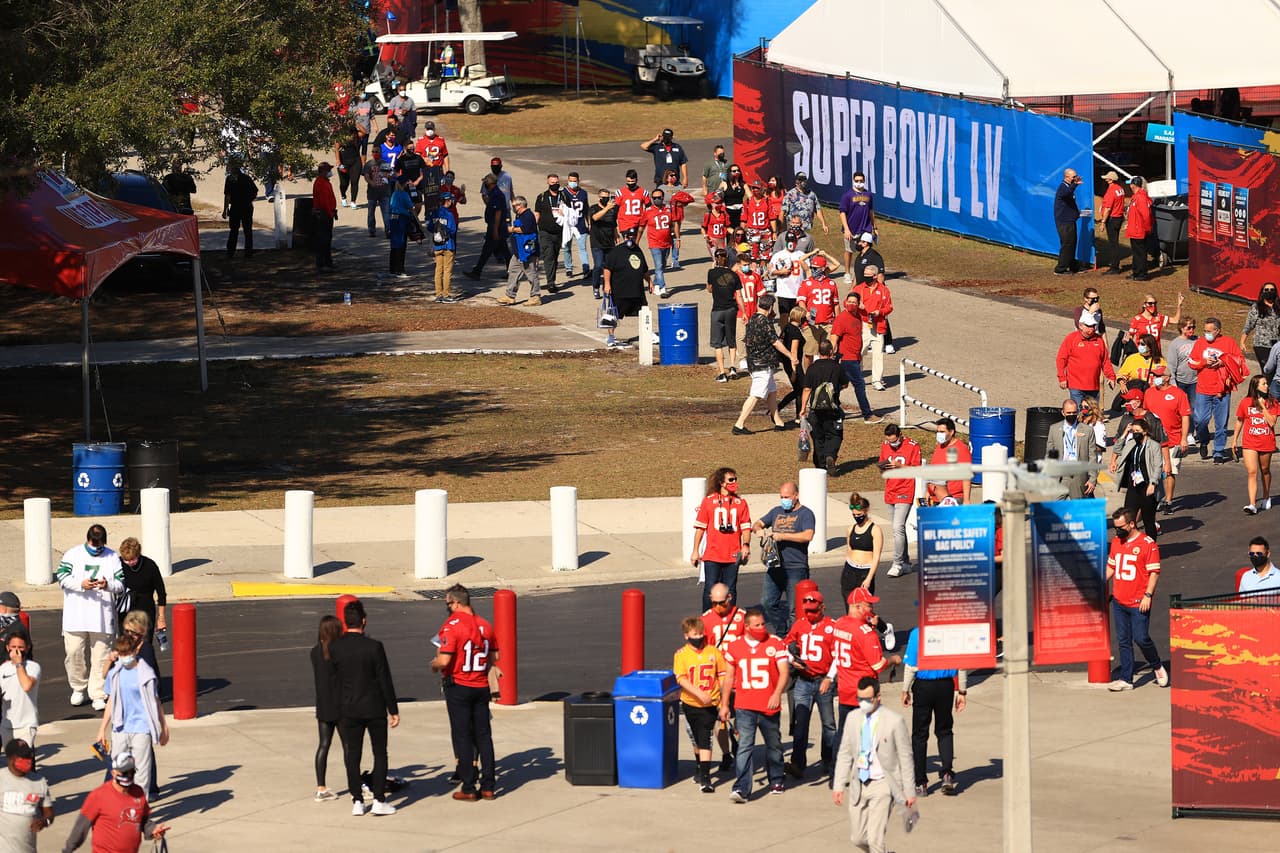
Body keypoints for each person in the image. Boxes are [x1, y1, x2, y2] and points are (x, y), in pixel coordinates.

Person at [330, 599, 399, 817]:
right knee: (380, 753)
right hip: (374, 707)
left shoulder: (335, 647)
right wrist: (393, 709)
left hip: (348, 708)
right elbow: (384, 679)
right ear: (364, 621)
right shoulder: (374, 647)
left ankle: (357, 800)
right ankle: (379, 799)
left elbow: (334, 680)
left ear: (344, 622)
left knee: (353, 754)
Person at [832, 676, 916, 853]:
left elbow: (905, 757)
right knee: (858, 838)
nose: (863, 703)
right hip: (859, 784)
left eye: (867, 699)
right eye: (859, 699)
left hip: (883, 785)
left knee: (875, 840)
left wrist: (909, 791)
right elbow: (845, 753)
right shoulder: (852, 718)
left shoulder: (894, 721)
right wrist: (838, 784)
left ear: (878, 696)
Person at [431, 584, 499, 802]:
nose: (448, 608)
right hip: (480, 685)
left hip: (459, 685)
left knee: (462, 736)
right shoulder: (485, 625)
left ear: (456, 602)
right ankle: (488, 785)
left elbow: (444, 660)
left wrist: (433, 664)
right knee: (483, 736)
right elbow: (495, 657)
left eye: (448, 604)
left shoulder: (453, 625)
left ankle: (469, 787)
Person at [719, 608, 789, 802]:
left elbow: (784, 672)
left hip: (768, 703)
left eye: (762, 624)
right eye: (757, 625)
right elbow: (729, 677)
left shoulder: (775, 643)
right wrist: (724, 705)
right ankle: (742, 788)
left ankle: (776, 778)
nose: (761, 628)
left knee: (773, 745)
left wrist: (777, 694)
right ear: (747, 627)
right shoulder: (734, 647)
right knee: (744, 747)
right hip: (744, 705)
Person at [58, 524, 122, 711]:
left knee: (101, 657)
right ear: (88, 540)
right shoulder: (72, 554)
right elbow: (62, 577)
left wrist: (107, 584)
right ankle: (78, 688)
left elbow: (121, 584)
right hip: (75, 615)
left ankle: (98, 693)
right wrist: (81, 584)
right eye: (94, 544)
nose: (97, 548)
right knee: (74, 653)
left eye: (100, 544)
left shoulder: (112, 557)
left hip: (102, 617)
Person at [97, 633, 169, 798]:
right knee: (117, 770)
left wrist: (163, 727)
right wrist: (102, 729)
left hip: (141, 729)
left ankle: (139, 809)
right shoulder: (115, 673)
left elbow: (155, 701)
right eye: (121, 654)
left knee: (142, 773)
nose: (124, 657)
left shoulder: (146, 674)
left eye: (127, 653)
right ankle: (119, 805)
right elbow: (111, 702)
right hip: (120, 728)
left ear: (135, 651)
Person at [1105, 508, 1169, 691]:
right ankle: (1127, 679)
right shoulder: (1117, 542)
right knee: (1123, 640)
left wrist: (1148, 595)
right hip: (1119, 600)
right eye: (1115, 527)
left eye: (1120, 527)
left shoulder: (1147, 544)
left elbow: (1154, 573)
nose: (1117, 531)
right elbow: (1111, 567)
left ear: (1132, 524)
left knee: (1141, 638)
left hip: (1138, 601)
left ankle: (1157, 665)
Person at [826, 589, 902, 737]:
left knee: (843, 735)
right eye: (868, 605)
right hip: (863, 693)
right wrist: (893, 659)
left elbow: (840, 650)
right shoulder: (866, 634)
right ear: (857, 607)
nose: (872, 609)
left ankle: (839, 760)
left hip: (844, 690)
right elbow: (878, 666)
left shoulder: (839, 624)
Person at [900, 627, 966, 797]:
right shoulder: (953, 632)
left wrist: (905, 689)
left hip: (924, 686)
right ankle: (946, 774)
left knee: (920, 735)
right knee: (944, 730)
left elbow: (911, 665)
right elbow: (962, 663)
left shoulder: (917, 633)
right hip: (945, 685)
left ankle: (920, 783)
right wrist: (962, 691)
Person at [61, 752, 168, 851]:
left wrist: (153, 830)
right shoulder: (98, 796)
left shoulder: (138, 792)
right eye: (125, 772)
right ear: (113, 772)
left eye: (132, 772)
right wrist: (68, 850)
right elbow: (80, 828)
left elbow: (143, 821)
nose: (129, 775)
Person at [784, 590, 837, 781]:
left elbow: (838, 655)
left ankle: (828, 760)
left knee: (829, 724)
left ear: (822, 608)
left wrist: (829, 678)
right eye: (807, 611)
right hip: (803, 681)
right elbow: (785, 645)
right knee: (800, 724)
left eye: (814, 611)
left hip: (823, 680)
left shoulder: (832, 627)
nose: (810, 615)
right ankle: (798, 763)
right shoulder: (800, 624)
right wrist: (792, 660)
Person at [753, 482, 816, 636]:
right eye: (781, 497)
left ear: (796, 496)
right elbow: (758, 523)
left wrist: (783, 536)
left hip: (796, 567)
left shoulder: (805, 514)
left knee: (795, 608)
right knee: (767, 602)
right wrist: (758, 530)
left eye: (787, 497)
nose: (784, 500)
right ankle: (782, 631)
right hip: (775, 566)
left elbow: (808, 535)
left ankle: (796, 639)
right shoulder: (776, 511)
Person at [673, 615, 727, 793]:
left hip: (709, 705)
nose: (698, 638)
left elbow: (723, 674)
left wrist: (719, 694)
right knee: (694, 737)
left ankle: (706, 777)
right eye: (694, 634)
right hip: (690, 703)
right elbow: (681, 679)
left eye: (701, 634)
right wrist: (698, 694)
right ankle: (699, 766)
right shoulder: (681, 655)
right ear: (686, 636)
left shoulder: (713, 652)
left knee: (706, 738)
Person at [732, 293, 795, 434]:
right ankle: (739, 424)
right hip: (763, 364)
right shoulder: (765, 322)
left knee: (772, 391)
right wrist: (790, 355)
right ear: (771, 307)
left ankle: (778, 421)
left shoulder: (753, 318)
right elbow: (775, 342)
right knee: (756, 394)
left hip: (754, 361)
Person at [691, 467, 752, 613]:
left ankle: (729, 619)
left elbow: (746, 528)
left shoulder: (740, 503)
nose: (734, 482)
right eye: (731, 480)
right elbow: (700, 528)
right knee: (710, 589)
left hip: (732, 554)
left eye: (735, 479)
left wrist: (746, 545)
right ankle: (707, 617)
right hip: (713, 554)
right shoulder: (709, 501)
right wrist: (695, 551)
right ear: (721, 482)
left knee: (730, 589)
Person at [1189, 317, 1248, 463]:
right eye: (1205, 331)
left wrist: (1224, 362)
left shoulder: (1229, 342)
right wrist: (1204, 362)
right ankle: (1203, 440)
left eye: (1209, 331)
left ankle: (1218, 451)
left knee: (1221, 423)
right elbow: (1191, 362)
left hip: (1222, 389)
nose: (1206, 333)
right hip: (1203, 389)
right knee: (1200, 420)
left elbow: (1240, 361)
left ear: (1217, 330)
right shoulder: (1200, 342)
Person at [1142, 364, 1192, 513]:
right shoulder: (1149, 393)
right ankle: (1157, 498)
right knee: (1153, 471)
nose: (1155, 379)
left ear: (1167, 377)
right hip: (1152, 440)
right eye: (1154, 376)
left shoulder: (1179, 394)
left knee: (1169, 471)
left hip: (1174, 439)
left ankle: (1168, 502)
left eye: (1158, 376)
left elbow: (1185, 416)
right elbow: (1145, 414)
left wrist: (1184, 438)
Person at [830, 292, 883, 424]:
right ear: (845, 302)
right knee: (859, 385)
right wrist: (831, 356)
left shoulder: (858, 316)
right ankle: (867, 414)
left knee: (838, 386)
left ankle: (834, 410)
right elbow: (834, 337)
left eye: (854, 302)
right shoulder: (842, 318)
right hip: (847, 358)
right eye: (849, 302)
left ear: (859, 304)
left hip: (855, 357)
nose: (851, 304)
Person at [1110, 415, 1164, 538]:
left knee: (1148, 520)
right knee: (1128, 518)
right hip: (1133, 486)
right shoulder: (1131, 443)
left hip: (1147, 486)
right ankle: (1130, 543)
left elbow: (1157, 466)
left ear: (1145, 431)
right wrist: (1125, 433)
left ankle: (1151, 546)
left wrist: (1153, 483)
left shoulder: (1154, 445)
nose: (1135, 434)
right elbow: (1117, 449)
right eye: (1133, 431)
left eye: (1137, 431)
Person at [877, 425, 921, 576]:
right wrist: (883, 467)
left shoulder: (912, 446)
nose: (892, 444)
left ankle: (897, 563)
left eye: (894, 441)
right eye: (889, 441)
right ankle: (906, 561)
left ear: (900, 435)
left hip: (905, 490)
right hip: (890, 490)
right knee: (898, 530)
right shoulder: (884, 445)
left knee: (897, 527)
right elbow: (882, 463)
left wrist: (900, 465)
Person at [1233, 375, 1280, 514]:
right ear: (1255, 386)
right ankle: (1252, 504)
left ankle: (1266, 496)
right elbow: (1240, 421)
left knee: (1265, 470)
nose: (1267, 386)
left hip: (1266, 441)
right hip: (1250, 442)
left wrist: (1262, 407)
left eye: (1267, 383)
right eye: (1263, 384)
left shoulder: (1273, 403)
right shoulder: (1245, 402)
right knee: (1252, 471)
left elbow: (1271, 422)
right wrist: (1235, 440)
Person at [800, 340, 848, 470]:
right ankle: (830, 455)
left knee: (818, 437)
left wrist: (803, 408)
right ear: (831, 351)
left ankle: (821, 465)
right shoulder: (837, 367)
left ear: (818, 352)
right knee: (835, 434)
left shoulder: (812, 368)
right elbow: (845, 384)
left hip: (815, 410)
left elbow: (807, 389)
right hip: (832, 409)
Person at [601, 227, 652, 347]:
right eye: (629, 236)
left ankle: (646, 334)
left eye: (633, 237)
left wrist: (650, 281)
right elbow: (607, 268)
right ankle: (611, 336)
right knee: (613, 315)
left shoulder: (638, 251)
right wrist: (607, 284)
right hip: (620, 290)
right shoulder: (616, 252)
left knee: (644, 312)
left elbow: (644, 269)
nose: (631, 239)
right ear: (625, 237)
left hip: (636, 290)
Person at [310, 615, 343, 802]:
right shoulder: (338, 651)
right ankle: (356, 783)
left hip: (323, 705)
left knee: (323, 745)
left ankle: (321, 786)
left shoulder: (315, 652)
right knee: (349, 746)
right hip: (340, 704)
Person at [0, 738, 52, 850]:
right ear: (10, 758)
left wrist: (45, 821)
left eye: (29, 756)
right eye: (22, 757)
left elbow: (49, 812)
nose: (28, 760)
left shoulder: (39, 781)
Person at [1057, 313, 1116, 407]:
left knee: (1092, 414)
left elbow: (1105, 361)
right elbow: (1061, 359)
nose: (1091, 329)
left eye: (1093, 326)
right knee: (1078, 412)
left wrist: (1111, 376)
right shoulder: (1071, 338)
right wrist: (1062, 377)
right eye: (1088, 326)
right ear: (1080, 325)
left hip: (1093, 386)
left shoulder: (1099, 340)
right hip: (1075, 385)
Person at [1046, 399, 1098, 499]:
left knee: (1077, 509)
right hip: (1060, 475)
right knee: (1056, 509)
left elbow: (1092, 456)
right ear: (1063, 412)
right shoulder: (1054, 429)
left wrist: (1092, 479)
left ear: (1078, 412)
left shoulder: (1087, 430)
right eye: (1068, 413)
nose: (1071, 415)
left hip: (1078, 476)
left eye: (1074, 412)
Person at [853, 265, 894, 391]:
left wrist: (879, 312)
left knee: (878, 354)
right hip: (863, 325)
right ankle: (857, 377)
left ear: (875, 276)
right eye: (865, 275)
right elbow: (847, 302)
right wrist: (856, 304)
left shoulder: (884, 290)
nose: (866, 278)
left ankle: (877, 380)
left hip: (878, 325)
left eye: (869, 276)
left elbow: (889, 307)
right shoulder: (858, 288)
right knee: (859, 352)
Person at [841, 493, 885, 606]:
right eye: (854, 515)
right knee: (850, 606)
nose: (857, 517)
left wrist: (869, 578)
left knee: (864, 607)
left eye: (859, 514)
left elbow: (876, 557)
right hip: (849, 571)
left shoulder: (875, 530)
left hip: (865, 572)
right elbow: (849, 549)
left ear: (866, 511)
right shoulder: (851, 529)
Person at [497, 197, 543, 306]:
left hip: (526, 252)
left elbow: (525, 229)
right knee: (513, 272)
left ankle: (535, 296)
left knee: (530, 273)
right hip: (518, 251)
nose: (513, 208)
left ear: (520, 205)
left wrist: (511, 229)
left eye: (514, 206)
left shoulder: (527, 215)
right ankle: (510, 296)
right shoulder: (520, 215)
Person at [0, 631, 40, 757]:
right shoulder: (2, 669)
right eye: (13, 647)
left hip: (26, 725)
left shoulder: (33, 667)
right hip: (7, 725)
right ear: (7, 648)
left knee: (21, 760)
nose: (16, 651)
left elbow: (27, 685)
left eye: (20, 648)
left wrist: (18, 664)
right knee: (12, 762)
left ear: (27, 648)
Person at [706, 249, 743, 383]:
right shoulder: (733, 274)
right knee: (731, 340)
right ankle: (733, 367)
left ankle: (722, 372)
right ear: (726, 259)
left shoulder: (711, 272)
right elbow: (738, 295)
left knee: (717, 343)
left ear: (716, 259)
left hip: (717, 310)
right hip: (731, 309)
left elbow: (710, 289)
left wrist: (712, 270)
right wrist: (743, 312)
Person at [467, 174, 510, 278]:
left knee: (488, 250)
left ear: (489, 183)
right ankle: (477, 271)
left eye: (485, 183)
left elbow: (498, 213)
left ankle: (477, 271)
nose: (484, 185)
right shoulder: (493, 193)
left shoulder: (497, 194)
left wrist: (495, 229)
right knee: (504, 250)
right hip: (495, 226)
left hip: (496, 227)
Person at [840, 172, 876, 283]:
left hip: (865, 228)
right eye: (857, 180)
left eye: (861, 181)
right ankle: (847, 273)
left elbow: (871, 211)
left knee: (866, 251)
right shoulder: (847, 195)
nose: (859, 183)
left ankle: (866, 273)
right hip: (851, 229)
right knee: (849, 251)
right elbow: (842, 212)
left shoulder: (868, 195)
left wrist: (874, 226)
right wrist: (846, 229)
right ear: (853, 180)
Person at [534, 174, 567, 294]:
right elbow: (537, 214)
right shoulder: (542, 197)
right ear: (548, 183)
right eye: (552, 183)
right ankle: (550, 283)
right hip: (545, 232)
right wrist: (533, 229)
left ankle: (551, 279)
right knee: (549, 256)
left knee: (555, 255)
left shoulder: (563, 196)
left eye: (557, 183)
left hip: (559, 232)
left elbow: (570, 211)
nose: (555, 185)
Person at [640, 187, 675, 297]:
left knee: (662, 265)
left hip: (666, 242)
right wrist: (636, 241)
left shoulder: (668, 209)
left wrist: (676, 238)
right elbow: (641, 227)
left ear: (663, 198)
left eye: (658, 198)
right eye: (654, 198)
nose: (656, 200)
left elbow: (674, 224)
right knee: (658, 266)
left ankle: (655, 284)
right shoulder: (648, 211)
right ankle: (663, 288)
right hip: (654, 243)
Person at [930, 418, 973, 504]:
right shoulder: (939, 446)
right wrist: (929, 492)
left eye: (942, 432)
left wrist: (966, 500)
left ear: (951, 432)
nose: (939, 434)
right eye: (937, 432)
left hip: (953, 498)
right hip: (936, 497)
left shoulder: (961, 449)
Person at [776, 307, 807, 423]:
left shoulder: (787, 327)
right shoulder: (795, 332)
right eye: (804, 316)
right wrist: (794, 371)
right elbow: (794, 351)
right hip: (794, 363)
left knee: (798, 390)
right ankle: (797, 416)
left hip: (787, 363)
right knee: (801, 389)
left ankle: (797, 416)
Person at [222, 161, 258, 258]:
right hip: (247, 206)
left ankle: (230, 252)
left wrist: (225, 209)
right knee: (248, 230)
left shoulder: (229, 179)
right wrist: (249, 200)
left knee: (234, 230)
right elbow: (255, 191)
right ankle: (248, 252)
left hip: (235, 207)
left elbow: (227, 196)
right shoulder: (246, 178)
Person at [586, 189, 618, 298]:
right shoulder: (593, 208)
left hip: (609, 242)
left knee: (609, 267)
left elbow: (614, 224)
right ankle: (596, 286)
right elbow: (595, 217)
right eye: (603, 197)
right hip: (597, 242)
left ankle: (607, 287)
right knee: (598, 265)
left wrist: (616, 236)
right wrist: (607, 208)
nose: (606, 199)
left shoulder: (613, 210)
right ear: (599, 197)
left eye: (607, 197)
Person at [560, 172, 591, 279]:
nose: (572, 183)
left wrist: (589, 223)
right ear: (568, 181)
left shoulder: (583, 193)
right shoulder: (563, 193)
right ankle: (568, 268)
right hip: (567, 225)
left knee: (582, 248)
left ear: (578, 181)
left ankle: (586, 268)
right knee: (566, 248)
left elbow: (587, 209)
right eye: (571, 180)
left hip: (580, 224)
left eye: (574, 181)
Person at [1241, 283, 1280, 367]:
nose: (1269, 291)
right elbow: (1249, 325)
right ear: (1262, 292)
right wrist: (1242, 341)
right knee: (1267, 370)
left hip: (1277, 344)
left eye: (1272, 290)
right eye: (1266, 290)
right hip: (1262, 345)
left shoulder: (1278, 307)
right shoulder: (1256, 307)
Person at [1095, 170, 1127, 274]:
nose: (1105, 179)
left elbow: (1108, 208)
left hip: (1112, 219)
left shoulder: (1111, 191)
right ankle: (1115, 265)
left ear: (1110, 180)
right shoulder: (1120, 189)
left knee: (1113, 244)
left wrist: (1103, 222)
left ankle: (1114, 267)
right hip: (1119, 217)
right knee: (1115, 242)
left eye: (1107, 178)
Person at [1053, 168, 1083, 275]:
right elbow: (1066, 193)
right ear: (1066, 177)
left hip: (1070, 220)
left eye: (1076, 176)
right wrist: (1075, 184)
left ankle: (1073, 266)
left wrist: (1077, 213)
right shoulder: (1063, 187)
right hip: (1064, 222)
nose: (1075, 178)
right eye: (1073, 177)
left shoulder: (1069, 188)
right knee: (1067, 244)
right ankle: (1060, 269)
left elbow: (1070, 201)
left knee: (1072, 243)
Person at [430, 194, 458, 303]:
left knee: (438, 270)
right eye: (451, 200)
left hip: (437, 245)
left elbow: (429, 226)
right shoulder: (449, 214)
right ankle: (446, 295)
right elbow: (453, 230)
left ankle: (438, 294)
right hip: (448, 245)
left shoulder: (435, 213)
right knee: (447, 271)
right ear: (447, 201)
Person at [310, 163, 337, 272]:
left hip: (326, 213)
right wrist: (330, 213)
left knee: (326, 239)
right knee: (323, 239)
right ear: (323, 171)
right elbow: (324, 201)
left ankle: (326, 261)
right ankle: (323, 263)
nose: (330, 172)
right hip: (324, 214)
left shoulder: (324, 182)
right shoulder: (321, 183)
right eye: (328, 170)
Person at [1127, 176, 1154, 280]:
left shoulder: (1140, 197)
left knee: (1140, 253)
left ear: (1133, 185)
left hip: (1139, 230)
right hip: (1135, 229)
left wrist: (1147, 228)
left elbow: (1146, 215)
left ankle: (1141, 274)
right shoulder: (1137, 196)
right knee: (1136, 252)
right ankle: (1136, 272)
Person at [387, 181, 414, 279]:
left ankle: (392, 268)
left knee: (394, 244)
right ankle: (400, 269)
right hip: (402, 219)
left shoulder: (394, 194)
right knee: (401, 244)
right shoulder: (404, 194)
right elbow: (410, 207)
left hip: (393, 219)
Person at [613, 169, 650, 237]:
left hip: (638, 223)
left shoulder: (643, 192)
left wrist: (645, 221)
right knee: (628, 243)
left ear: (636, 180)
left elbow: (649, 208)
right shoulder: (620, 193)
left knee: (635, 244)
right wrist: (613, 223)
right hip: (624, 223)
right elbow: (615, 209)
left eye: (632, 181)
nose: (630, 183)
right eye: (628, 181)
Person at [362, 152, 390, 238]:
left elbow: (389, 174)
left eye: (377, 151)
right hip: (372, 192)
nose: (375, 153)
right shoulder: (369, 164)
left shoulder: (385, 163)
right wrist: (371, 182)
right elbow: (366, 175)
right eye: (373, 152)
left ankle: (388, 231)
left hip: (384, 191)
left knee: (386, 213)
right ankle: (371, 231)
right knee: (371, 212)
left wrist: (386, 176)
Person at [415, 121, 449, 189]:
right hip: (426, 169)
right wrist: (423, 159)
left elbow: (445, 155)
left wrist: (447, 170)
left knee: (439, 189)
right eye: (428, 129)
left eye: (431, 129)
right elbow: (417, 155)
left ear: (434, 129)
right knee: (427, 189)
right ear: (425, 129)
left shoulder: (440, 140)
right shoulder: (421, 140)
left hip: (438, 169)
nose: (430, 131)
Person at [335, 130, 362, 209]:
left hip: (355, 161)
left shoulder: (356, 134)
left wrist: (357, 124)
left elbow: (364, 131)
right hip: (343, 161)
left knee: (355, 181)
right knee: (344, 183)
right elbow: (336, 148)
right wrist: (338, 161)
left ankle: (353, 201)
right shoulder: (340, 135)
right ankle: (343, 196)